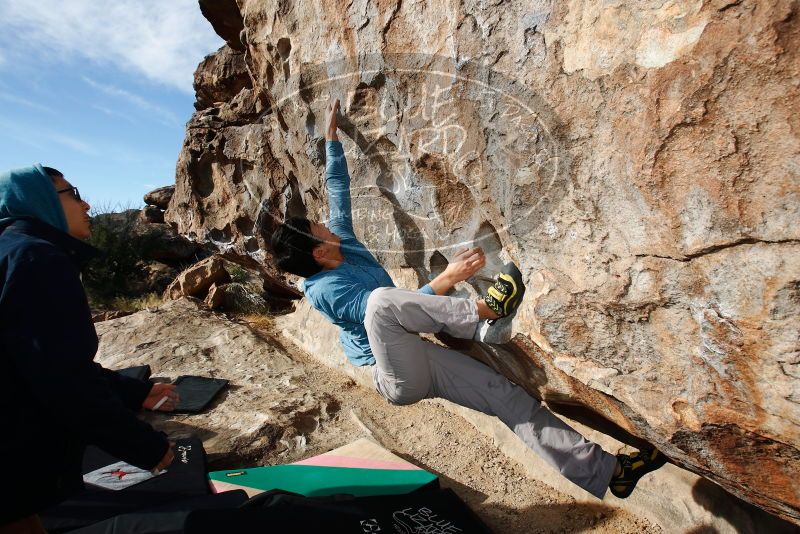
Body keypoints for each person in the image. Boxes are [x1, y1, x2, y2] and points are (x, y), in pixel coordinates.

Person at [270, 99, 667, 501]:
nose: (322, 222)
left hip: (414, 349)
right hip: (391, 372)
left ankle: (609, 471)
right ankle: (484, 313)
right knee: (379, 303)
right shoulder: (324, 290)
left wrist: (332, 139)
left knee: (504, 394)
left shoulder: (340, 242)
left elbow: (338, 189)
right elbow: (392, 313)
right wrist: (447, 279)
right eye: (315, 227)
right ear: (318, 252)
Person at [0, 165, 179, 534]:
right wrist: (143, 445)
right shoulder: (36, 258)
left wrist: (137, 391)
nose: (87, 205)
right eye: (73, 193)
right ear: (39, 201)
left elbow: (34, 355)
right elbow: (63, 377)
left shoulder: (11, 250)